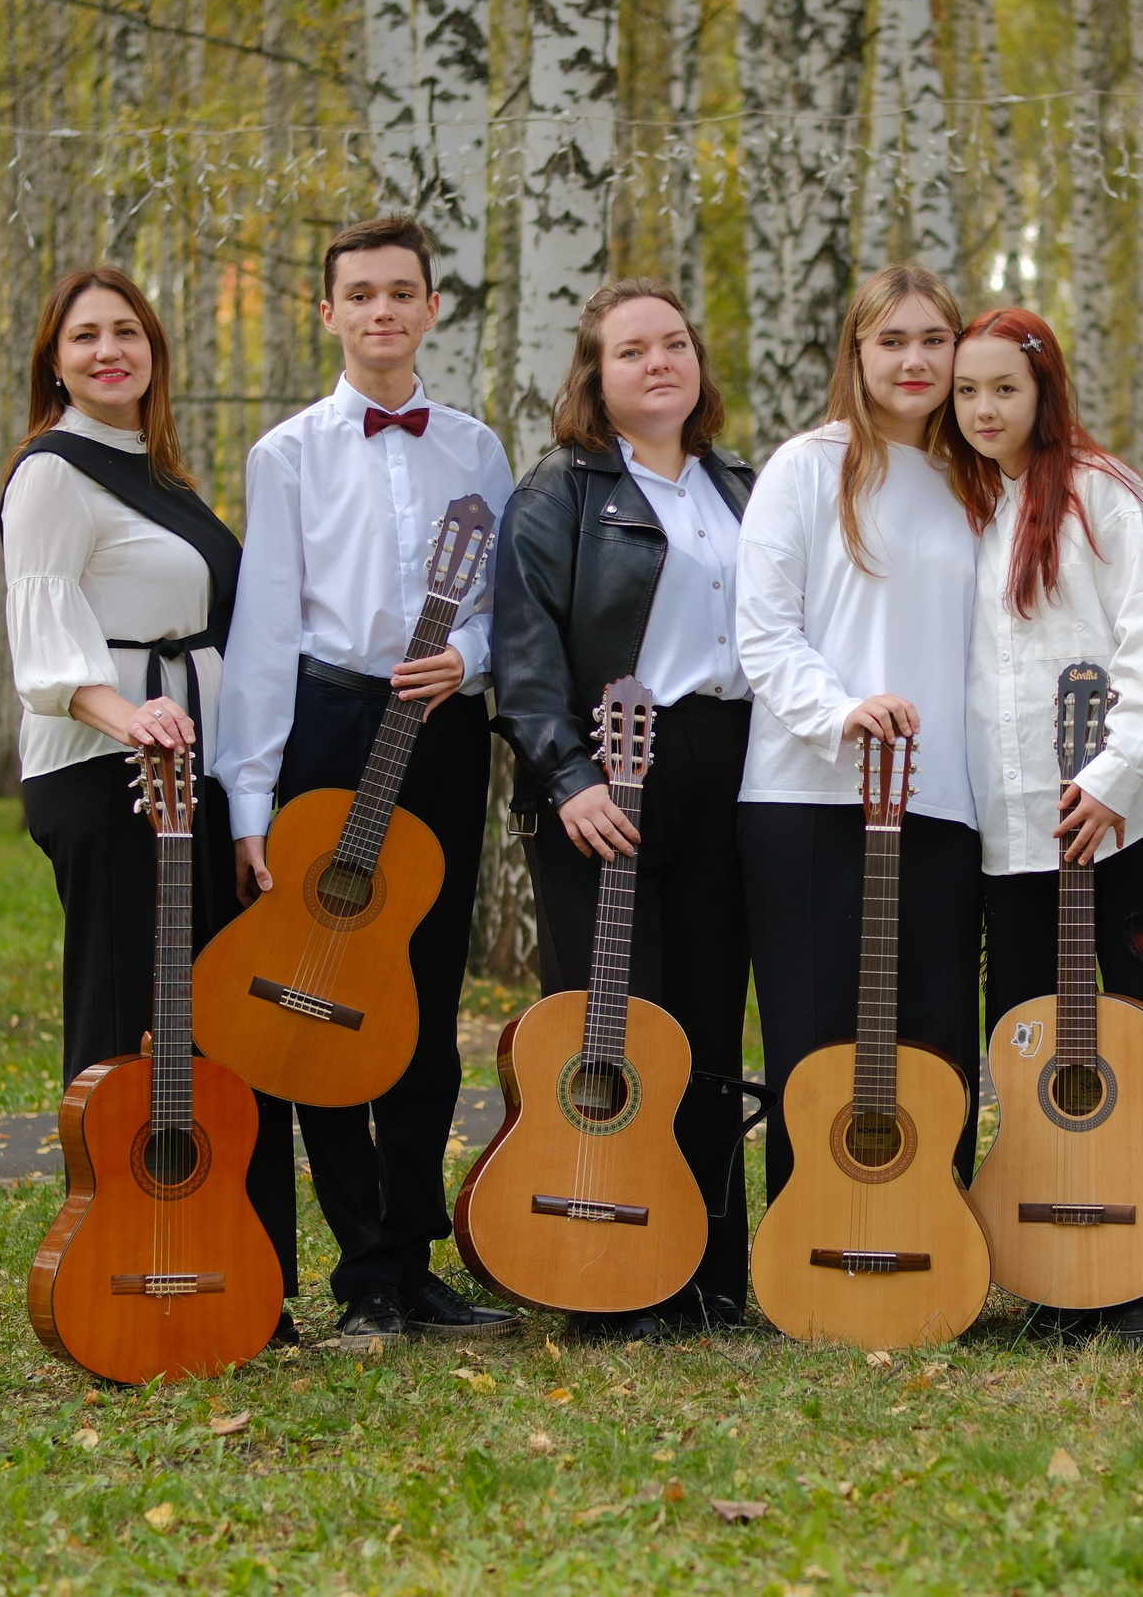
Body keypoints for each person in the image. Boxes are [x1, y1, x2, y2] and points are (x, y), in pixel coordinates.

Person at [214, 217, 518, 1343]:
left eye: (404, 293)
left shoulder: (479, 450)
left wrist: (469, 659)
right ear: (328, 311)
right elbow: (261, 633)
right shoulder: (287, 453)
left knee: (421, 1001)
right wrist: (251, 801)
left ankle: (410, 1262)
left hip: (438, 726)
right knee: (319, 998)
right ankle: (361, 1272)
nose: (384, 312)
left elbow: (496, 606)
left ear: (434, 309)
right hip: (330, 722)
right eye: (362, 295)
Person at [1, 265, 300, 1341]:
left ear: (155, 353)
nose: (106, 351)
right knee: (128, 1021)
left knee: (221, 1022)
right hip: (107, 773)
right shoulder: (51, 473)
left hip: (195, 774)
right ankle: (118, 1259)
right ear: (54, 359)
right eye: (83, 336)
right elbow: (42, 634)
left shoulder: (160, 477)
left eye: (126, 332)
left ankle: (247, 1273)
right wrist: (127, 718)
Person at [492, 278, 756, 1339]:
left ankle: (709, 1274)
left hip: (728, 763)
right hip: (610, 766)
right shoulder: (559, 493)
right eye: (632, 350)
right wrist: (568, 779)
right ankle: (612, 1274)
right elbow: (522, 654)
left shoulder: (742, 484)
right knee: (614, 1031)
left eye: (676, 344)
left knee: (704, 1026)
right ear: (594, 378)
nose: (659, 363)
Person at [943, 307, 1143, 1346]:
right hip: (1013, 832)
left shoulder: (1106, 498)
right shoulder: (963, 508)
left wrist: (1107, 783)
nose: (981, 409)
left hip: (1125, 816)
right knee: (1027, 1043)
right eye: (965, 391)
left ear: (1043, 391)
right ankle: (1056, 1266)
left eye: (1001, 388)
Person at [734, 264, 985, 1197]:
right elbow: (764, 632)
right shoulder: (806, 467)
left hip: (943, 799)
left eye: (933, 339)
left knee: (932, 1034)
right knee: (817, 1035)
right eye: (893, 340)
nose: (915, 359)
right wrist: (843, 713)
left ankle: (930, 1232)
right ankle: (810, 1236)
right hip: (810, 795)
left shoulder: (979, 480)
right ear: (858, 352)